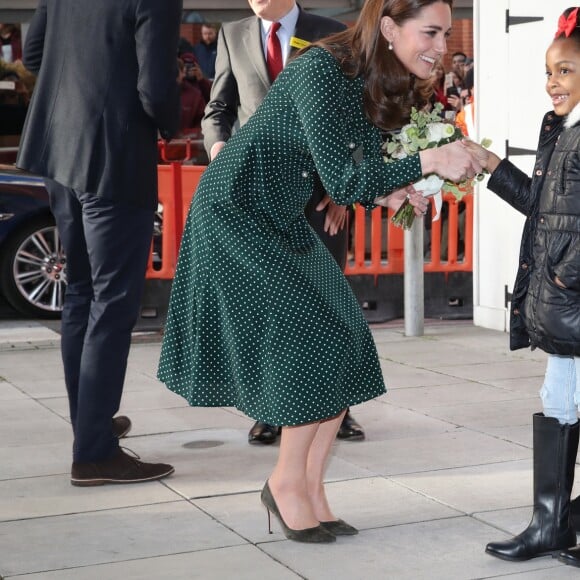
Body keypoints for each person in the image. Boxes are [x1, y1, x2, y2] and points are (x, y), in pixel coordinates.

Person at [157, 0, 480, 543]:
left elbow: (352, 166)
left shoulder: (368, 74)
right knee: (311, 339)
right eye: (431, 33)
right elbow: (346, 180)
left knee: (347, 338)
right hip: (237, 211)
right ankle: (285, 483)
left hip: (278, 211)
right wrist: (428, 161)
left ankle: (309, 486)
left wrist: (392, 189)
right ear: (389, 28)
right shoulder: (324, 69)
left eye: (446, 35)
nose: (441, 48)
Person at [16, 0, 182, 486]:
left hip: (58, 149)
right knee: (111, 302)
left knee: (82, 295)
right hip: (114, 152)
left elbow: (33, 54)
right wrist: (170, 124)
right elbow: (155, 87)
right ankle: (94, 453)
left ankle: (90, 425)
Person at [202, 0, 367, 445]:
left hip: (317, 196)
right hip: (255, 197)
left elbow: (354, 111)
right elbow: (219, 107)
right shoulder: (232, 33)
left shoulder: (331, 32)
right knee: (268, 309)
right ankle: (273, 409)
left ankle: (338, 408)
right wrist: (219, 152)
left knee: (326, 304)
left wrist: (341, 187)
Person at [465, 6, 580, 568]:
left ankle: (553, 522)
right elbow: (546, 208)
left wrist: (565, 275)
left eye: (565, 71)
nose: (552, 83)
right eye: (549, 71)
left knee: (566, 400)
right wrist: (491, 166)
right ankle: (552, 522)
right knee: (560, 402)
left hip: (574, 297)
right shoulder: (561, 130)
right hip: (564, 302)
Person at [177, 57, 206, 134]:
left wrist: (202, 80)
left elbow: (202, 121)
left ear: (183, 72)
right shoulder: (157, 94)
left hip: (188, 143)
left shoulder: (195, 95)